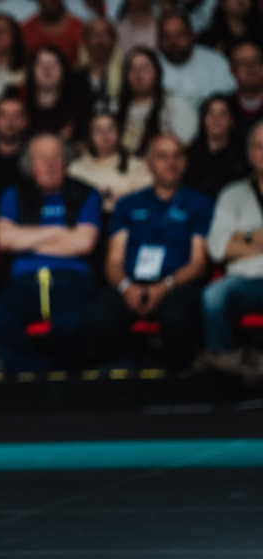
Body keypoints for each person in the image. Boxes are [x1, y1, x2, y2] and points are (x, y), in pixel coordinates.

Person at [82, 135, 212, 370]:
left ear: (186, 162)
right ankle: (132, 372)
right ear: (148, 164)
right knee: (99, 318)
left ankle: (175, 381)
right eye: (162, 156)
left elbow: (198, 263)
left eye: (177, 155)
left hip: (176, 285)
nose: (171, 162)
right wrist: (126, 287)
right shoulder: (128, 204)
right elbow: (113, 261)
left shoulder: (200, 204)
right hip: (131, 282)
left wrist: (164, 287)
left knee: (177, 319)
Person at [0, 134, 101, 373]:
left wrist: (26, 238)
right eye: (42, 157)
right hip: (24, 282)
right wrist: (59, 232)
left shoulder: (87, 194)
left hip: (72, 280)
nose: (50, 163)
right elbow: (4, 241)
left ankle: (60, 376)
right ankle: (35, 374)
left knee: (73, 325)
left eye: (56, 156)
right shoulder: (13, 194)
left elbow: (83, 244)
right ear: (29, 165)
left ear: (66, 162)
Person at [200, 121, 263, 379]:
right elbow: (217, 247)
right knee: (213, 297)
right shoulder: (232, 194)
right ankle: (223, 372)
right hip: (243, 281)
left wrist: (244, 237)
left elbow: (231, 243)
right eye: (260, 147)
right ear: (250, 154)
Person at [68, 113, 152, 213]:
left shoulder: (137, 166)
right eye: (98, 130)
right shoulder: (75, 168)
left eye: (110, 129)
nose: (105, 134)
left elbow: (145, 201)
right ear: (90, 135)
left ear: (119, 133)